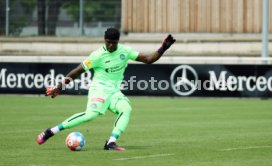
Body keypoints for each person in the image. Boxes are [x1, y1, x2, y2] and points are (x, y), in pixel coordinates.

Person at [36, 27, 176, 151]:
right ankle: (51, 131)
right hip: (99, 90)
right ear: (104, 40)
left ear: (118, 41)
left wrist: (163, 47)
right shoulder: (97, 55)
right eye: (108, 41)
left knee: (126, 108)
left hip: (114, 92)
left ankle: (111, 142)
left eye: (114, 42)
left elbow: (148, 59)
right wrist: (60, 87)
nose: (110, 45)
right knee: (90, 115)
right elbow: (77, 71)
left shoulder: (125, 51)